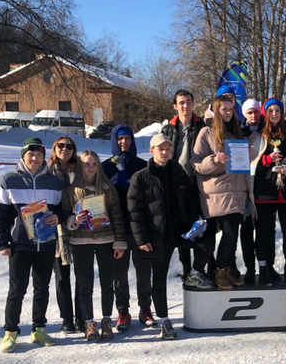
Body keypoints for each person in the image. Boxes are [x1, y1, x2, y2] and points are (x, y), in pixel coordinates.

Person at [0, 137, 64, 353]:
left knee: (42, 288)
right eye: (31, 155)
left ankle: (39, 328)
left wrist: (57, 217)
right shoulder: (8, 180)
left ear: (44, 157)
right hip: (19, 245)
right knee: (17, 290)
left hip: (46, 244)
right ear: (23, 156)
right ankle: (10, 332)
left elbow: (61, 209)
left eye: (39, 155)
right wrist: (2, 242)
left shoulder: (53, 182)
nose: (35, 158)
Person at [128, 133, 199, 340]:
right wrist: (141, 239)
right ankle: (165, 320)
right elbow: (135, 212)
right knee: (158, 279)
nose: (165, 152)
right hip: (157, 236)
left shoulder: (178, 171)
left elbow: (190, 199)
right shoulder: (140, 178)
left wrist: (195, 221)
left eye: (168, 148)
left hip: (180, 232)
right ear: (152, 151)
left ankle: (196, 274)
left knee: (207, 245)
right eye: (161, 149)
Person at [62, 150, 126, 341]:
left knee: (107, 283)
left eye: (93, 164)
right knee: (85, 284)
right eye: (86, 164)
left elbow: (117, 216)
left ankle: (107, 320)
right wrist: (73, 219)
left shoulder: (107, 188)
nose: (90, 167)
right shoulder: (72, 190)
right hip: (81, 241)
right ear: (80, 166)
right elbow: (64, 213)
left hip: (106, 239)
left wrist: (119, 241)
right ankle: (89, 323)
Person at [191, 94, 249, 290]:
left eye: (230, 109)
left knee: (232, 234)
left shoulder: (236, 133)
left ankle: (225, 270)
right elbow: (196, 163)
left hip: (236, 190)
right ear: (216, 111)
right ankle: (218, 270)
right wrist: (215, 159)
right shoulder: (206, 133)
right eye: (224, 109)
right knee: (229, 233)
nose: (227, 112)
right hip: (217, 193)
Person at [248, 97, 286, 286]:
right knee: (264, 232)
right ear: (265, 113)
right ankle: (264, 269)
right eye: (271, 111)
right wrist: (266, 160)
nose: (275, 114)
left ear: (282, 113)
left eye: (278, 111)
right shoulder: (257, 136)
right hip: (264, 191)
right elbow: (249, 166)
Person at [101, 125, 151, 331]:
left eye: (127, 139)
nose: (124, 143)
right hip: (117, 228)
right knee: (119, 274)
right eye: (120, 139)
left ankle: (145, 308)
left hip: (139, 227)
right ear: (114, 140)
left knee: (143, 272)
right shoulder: (105, 167)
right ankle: (122, 311)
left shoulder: (143, 165)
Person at [161, 89, 208, 283]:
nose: (185, 106)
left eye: (188, 102)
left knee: (198, 226)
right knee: (180, 225)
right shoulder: (168, 128)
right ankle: (186, 267)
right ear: (175, 105)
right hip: (174, 182)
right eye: (181, 103)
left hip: (196, 181)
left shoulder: (201, 126)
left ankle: (199, 268)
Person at [46, 136, 80, 333]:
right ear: (55, 148)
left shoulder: (80, 169)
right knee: (61, 276)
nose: (65, 149)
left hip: (78, 225)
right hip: (57, 229)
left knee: (81, 275)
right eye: (61, 145)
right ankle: (67, 317)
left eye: (69, 146)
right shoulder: (47, 169)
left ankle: (81, 316)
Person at [239, 98, 263, 283]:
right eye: (249, 112)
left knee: (263, 230)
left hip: (262, 187)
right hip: (243, 186)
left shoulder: (267, 130)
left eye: (256, 111)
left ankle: (265, 266)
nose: (253, 115)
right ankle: (249, 268)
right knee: (246, 231)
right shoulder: (239, 133)